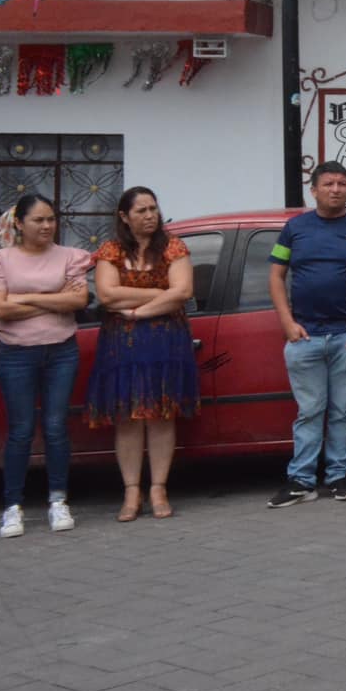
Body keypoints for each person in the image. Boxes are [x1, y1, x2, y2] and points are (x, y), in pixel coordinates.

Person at [265, 162, 346, 508]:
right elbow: (276, 277)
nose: (336, 189)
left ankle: (338, 477)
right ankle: (301, 480)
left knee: (342, 411)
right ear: (314, 190)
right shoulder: (295, 229)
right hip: (304, 337)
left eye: (342, 183)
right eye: (329, 184)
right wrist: (287, 323)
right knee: (309, 411)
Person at [0, 194, 92, 537]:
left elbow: (78, 300)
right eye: (38, 220)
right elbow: (0, 310)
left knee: (57, 425)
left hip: (61, 351)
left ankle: (58, 500)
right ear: (19, 223)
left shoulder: (69, 257)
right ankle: (12, 506)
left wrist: (24, 298)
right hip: (16, 354)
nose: (47, 226)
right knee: (21, 429)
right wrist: (53, 300)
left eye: (51, 219)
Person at [85, 186, 198, 521]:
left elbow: (185, 292)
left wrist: (137, 310)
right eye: (141, 211)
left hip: (164, 339)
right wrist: (159, 293)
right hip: (122, 343)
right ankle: (131, 491)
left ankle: (158, 488)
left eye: (153, 209)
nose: (150, 216)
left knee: (161, 414)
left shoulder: (173, 246)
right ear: (124, 216)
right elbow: (106, 295)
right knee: (128, 417)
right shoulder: (111, 250)